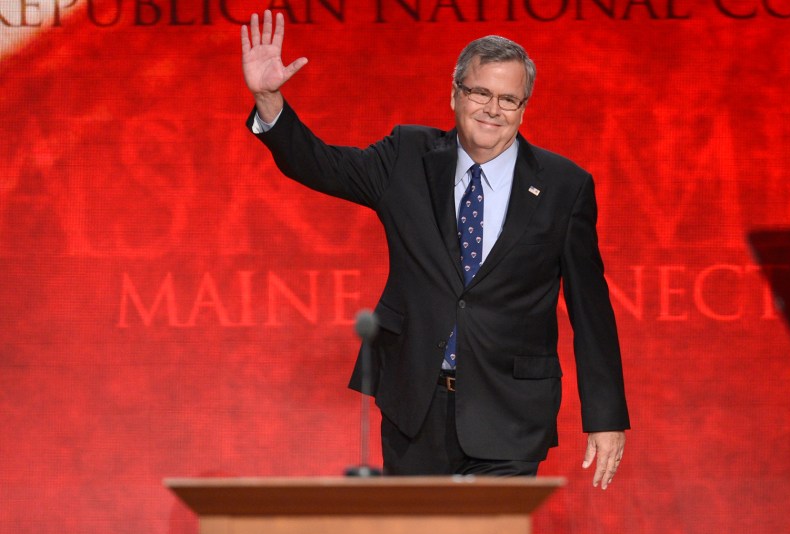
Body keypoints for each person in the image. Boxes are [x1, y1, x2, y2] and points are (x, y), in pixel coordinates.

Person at [241, 11, 629, 488]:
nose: (493, 108)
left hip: (509, 411)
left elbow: (591, 309)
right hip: (415, 404)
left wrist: (605, 415)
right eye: (480, 92)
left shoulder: (564, 185)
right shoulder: (407, 155)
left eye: (509, 98)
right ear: (455, 94)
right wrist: (268, 100)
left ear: (524, 108)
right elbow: (320, 165)